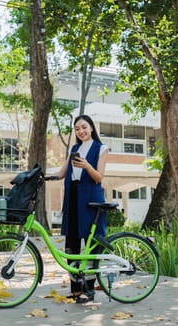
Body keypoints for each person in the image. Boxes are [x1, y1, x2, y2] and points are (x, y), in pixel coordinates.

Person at [54, 115, 108, 304]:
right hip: (73, 197)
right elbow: (62, 172)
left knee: (91, 244)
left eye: (84, 127)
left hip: (91, 198)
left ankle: (89, 290)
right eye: (77, 128)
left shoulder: (101, 148)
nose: (81, 131)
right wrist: (41, 176)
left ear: (91, 128)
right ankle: (75, 289)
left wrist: (86, 165)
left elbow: (99, 177)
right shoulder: (74, 149)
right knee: (72, 243)